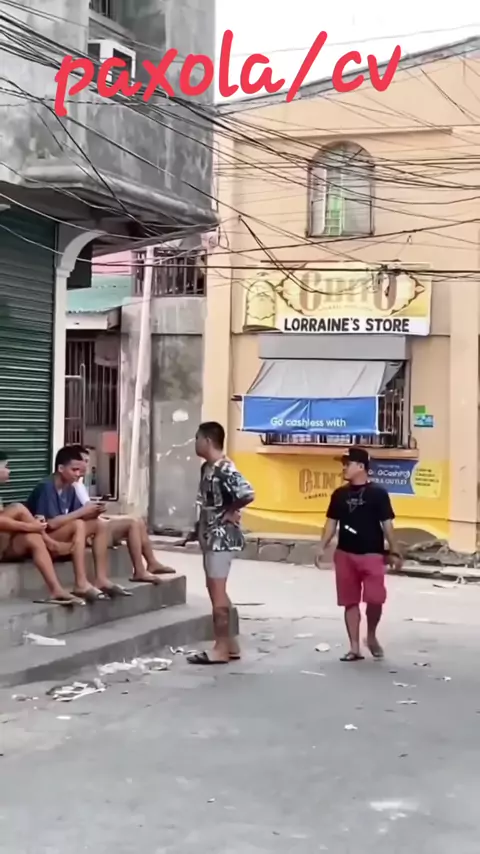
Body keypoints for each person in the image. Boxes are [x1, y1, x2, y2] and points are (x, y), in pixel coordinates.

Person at [314, 446, 403, 662]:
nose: (344, 468)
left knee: (375, 599)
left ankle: (370, 635)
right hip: (345, 554)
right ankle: (354, 648)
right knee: (350, 601)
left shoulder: (378, 494)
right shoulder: (339, 494)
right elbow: (331, 523)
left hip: (372, 554)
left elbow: (387, 525)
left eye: (348, 464)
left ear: (361, 466)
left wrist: (395, 550)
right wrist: (321, 546)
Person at [186, 422, 255, 666]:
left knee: (217, 595)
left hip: (221, 537)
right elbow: (205, 501)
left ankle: (221, 648)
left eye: (197, 438)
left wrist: (231, 510)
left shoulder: (225, 467)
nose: (195, 443)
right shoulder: (207, 468)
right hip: (209, 534)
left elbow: (247, 492)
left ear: (207, 440)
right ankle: (230, 643)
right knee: (216, 590)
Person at [25, 446, 131, 602]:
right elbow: (51, 523)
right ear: (61, 468)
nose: (78, 474)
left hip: (62, 532)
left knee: (100, 524)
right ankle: (80, 583)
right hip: (44, 538)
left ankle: (101, 578)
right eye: (74, 470)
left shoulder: (70, 488)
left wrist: (93, 512)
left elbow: (75, 515)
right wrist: (82, 512)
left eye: (80, 471)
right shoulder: (47, 487)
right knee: (78, 525)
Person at [67, 445, 176, 584]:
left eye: (87, 461)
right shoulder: (71, 486)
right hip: (89, 528)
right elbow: (77, 514)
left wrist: (97, 511)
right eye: (83, 461)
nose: (85, 466)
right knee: (132, 524)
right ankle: (139, 570)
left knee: (138, 521)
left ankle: (152, 562)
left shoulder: (79, 484)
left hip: (94, 521)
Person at [0, 454, 83, 606]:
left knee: (34, 538)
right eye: (5, 467)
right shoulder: (47, 486)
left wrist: (33, 524)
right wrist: (29, 526)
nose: (9, 471)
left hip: (4, 546)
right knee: (18, 508)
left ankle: (56, 590)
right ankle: (50, 542)